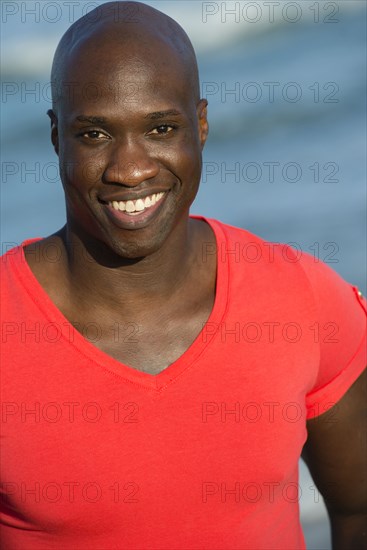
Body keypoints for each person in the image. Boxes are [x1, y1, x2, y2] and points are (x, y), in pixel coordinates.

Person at [1, 2, 366, 549]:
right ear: (57, 137)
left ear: (200, 126)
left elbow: (359, 508)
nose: (130, 168)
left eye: (161, 128)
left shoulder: (304, 301)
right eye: (95, 135)